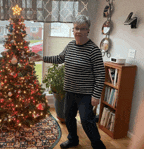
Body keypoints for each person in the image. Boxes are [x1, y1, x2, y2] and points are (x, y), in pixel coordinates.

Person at [30, 15, 106, 149]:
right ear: (73, 30)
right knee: (69, 117)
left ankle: (97, 144)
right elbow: (60, 58)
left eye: (82, 29)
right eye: (76, 28)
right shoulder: (70, 45)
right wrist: (42, 58)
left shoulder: (94, 50)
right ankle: (73, 139)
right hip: (70, 90)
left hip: (86, 93)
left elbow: (100, 74)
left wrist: (96, 95)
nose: (79, 31)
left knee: (86, 120)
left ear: (88, 30)